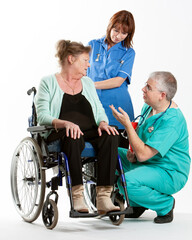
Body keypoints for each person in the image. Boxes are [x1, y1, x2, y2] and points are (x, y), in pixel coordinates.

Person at [35, 40, 120, 214]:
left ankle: (104, 197)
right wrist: (66, 123)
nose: (89, 64)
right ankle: (78, 196)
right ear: (71, 59)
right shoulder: (48, 82)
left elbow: (98, 110)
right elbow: (42, 115)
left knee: (111, 134)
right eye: (85, 60)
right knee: (73, 135)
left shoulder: (87, 83)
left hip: (89, 131)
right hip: (60, 132)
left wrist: (103, 123)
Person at [110, 71, 191, 223]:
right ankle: (138, 203)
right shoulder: (148, 108)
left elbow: (144, 154)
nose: (143, 89)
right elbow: (141, 144)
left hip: (169, 171)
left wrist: (127, 125)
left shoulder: (172, 121)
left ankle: (165, 205)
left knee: (127, 182)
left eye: (148, 87)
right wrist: (132, 153)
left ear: (162, 95)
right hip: (147, 162)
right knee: (110, 153)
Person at [87, 10, 135, 147]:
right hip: (94, 105)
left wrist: (90, 85)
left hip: (118, 107)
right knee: (93, 151)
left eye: (124, 33)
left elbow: (118, 81)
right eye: (116, 30)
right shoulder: (93, 44)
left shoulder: (129, 53)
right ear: (110, 26)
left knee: (119, 153)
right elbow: (81, 70)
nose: (119, 36)